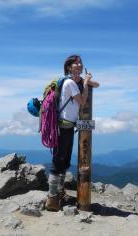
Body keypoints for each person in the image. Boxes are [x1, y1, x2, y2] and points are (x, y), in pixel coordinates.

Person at [46, 54, 99, 211]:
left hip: (67, 127)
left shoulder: (75, 82)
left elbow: (97, 85)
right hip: (63, 127)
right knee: (58, 161)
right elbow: (82, 102)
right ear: (68, 67)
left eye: (80, 63)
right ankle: (52, 199)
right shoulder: (69, 83)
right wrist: (86, 81)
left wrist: (86, 80)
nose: (79, 65)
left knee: (65, 161)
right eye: (75, 64)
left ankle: (59, 194)